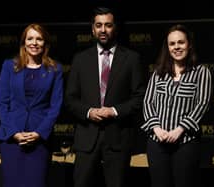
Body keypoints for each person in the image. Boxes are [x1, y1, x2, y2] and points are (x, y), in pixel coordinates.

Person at [65, 7, 147, 187]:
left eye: (108, 25)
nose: (103, 30)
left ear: (115, 28)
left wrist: (114, 111)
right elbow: (70, 99)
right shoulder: (80, 59)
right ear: (92, 29)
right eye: (99, 25)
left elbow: (140, 97)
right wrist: (89, 112)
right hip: (87, 139)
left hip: (118, 139)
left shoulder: (132, 59)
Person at [141, 24, 212, 187]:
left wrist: (179, 129)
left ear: (189, 44)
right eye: (172, 44)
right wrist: (156, 128)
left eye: (181, 42)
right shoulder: (159, 72)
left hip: (185, 143)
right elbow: (148, 102)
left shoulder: (201, 72)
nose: (177, 47)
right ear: (168, 47)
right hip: (156, 142)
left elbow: (202, 104)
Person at [0, 23, 63, 187]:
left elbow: (56, 106)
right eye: (30, 38)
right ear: (24, 42)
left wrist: (39, 133)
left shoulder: (55, 70)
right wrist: (14, 133)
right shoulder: (9, 66)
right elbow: (2, 102)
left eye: (39, 39)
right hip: (12, 140)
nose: (34, 43)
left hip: (39, 142)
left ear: (45, 43)